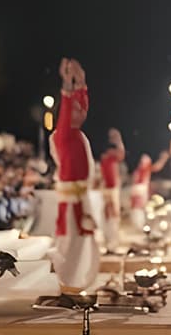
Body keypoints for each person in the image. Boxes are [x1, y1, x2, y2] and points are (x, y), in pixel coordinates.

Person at [49, 58, 99, 294]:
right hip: (70, 203)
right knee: (70, 242)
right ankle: (67, 283)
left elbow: (81, 106)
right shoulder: (63, 135)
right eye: (76, 110)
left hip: (80, 199)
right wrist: (68, 83)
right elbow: (68, 106)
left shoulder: (76, 133)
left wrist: (82, 83)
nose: (82, 112)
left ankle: (75, 283)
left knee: (82, 242)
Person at [98, 124, 126, 251]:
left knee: (113, 214)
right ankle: (109, 241)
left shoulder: (113, 155)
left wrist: (118, 139)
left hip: (112, 188)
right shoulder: (106, 156)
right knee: (107, 214)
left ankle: (113, 241)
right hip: (106, 188)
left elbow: (121, 153)